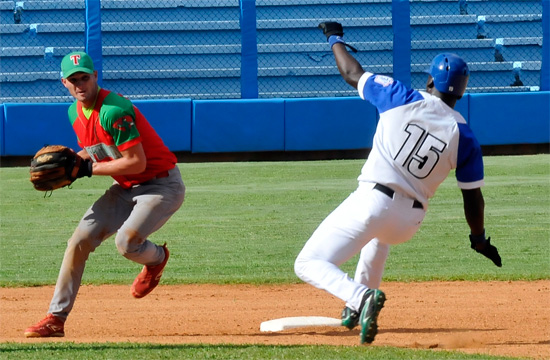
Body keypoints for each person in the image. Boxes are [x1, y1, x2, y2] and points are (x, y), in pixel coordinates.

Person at [294, 22, 502, 345]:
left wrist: (334, 38)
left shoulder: (399, 95)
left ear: (430, 80)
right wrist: (479, 239)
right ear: (461, 92)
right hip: (409, 222)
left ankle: (360, 297)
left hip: (374, 201)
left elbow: (351, 73)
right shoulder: (465, 135)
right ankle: (354, 306)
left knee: (307, 262)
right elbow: (473, 199)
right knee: (378, 237)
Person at [24, 51, 186, 337]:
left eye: (84, 77)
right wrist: (75, 160)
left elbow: (137, 162)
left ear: (95, 76)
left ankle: (157, 258)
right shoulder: (75, 112)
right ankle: (55, 319)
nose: (80, 84)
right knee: (78, 242)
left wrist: (85, 171)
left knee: (127, 243)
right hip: (124, 187)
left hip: (161, 186)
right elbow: (97, 147)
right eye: (73, 80)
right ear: (64, 83)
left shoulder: (115, 110)